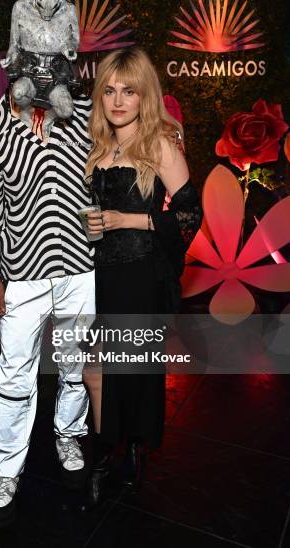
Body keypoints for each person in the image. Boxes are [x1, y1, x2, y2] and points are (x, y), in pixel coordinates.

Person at [0, 88, 96, 525]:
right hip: (22, 271)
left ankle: (69, 435)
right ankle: (6, 471)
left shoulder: (85, 118)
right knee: (15, 374)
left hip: (81, 266)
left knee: (74, 364)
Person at [82, 46, 202, 505]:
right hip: (100, 274)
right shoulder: (97, 143)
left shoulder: (159, 144)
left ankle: (119, 451)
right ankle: (113, 447)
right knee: (97, 371)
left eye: (128, 91)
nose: (117, 101)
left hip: (141, 274)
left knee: (123, 370)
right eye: (109, 90)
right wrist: (93, 223)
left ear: (143, 95)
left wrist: (126, 220)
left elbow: (190, 214)